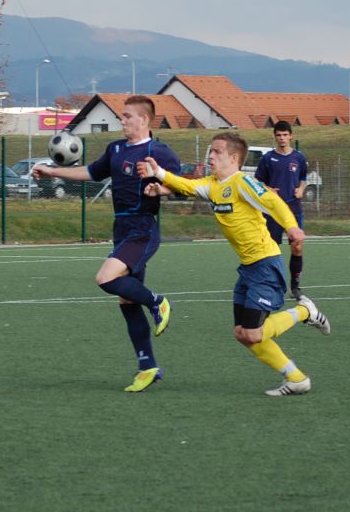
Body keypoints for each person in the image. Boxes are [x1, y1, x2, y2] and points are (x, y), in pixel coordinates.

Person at [137, 132, 332, 396]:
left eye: (216, 152)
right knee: (242, 333)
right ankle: (296, 379)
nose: (211, 156)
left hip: (265, 264)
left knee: (253, 333)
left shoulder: (243, 183)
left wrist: (292, 227)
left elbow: (273, 201)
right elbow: (185, 184)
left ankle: (304, 312)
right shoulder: (212, 184)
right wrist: (159, 174)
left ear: (233, 157)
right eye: (210, 151)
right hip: (248, 268)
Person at [32, 95, 181, 392]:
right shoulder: (116, 149)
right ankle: (147, 367)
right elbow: (90, 172)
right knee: (126, 301)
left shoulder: (158, 151)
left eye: (127, 116)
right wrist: (51, 171)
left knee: (105, 278)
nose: (122, 121)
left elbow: (183, 186)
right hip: (121, 227)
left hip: (143, 227)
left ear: (144, 120)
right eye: (122, 116)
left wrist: (160, 189)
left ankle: (158, 302)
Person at [254, 121, 309, 297]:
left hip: (293, 207)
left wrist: (301, 189)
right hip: (272, 210)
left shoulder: (299, 157)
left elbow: (303, 177)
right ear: (275, 137)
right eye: (279, 135)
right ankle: (271, 284)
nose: (282, 138)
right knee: (271, 248)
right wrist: (268, 189)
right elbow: (258, 181)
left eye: (285, 135)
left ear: (291, 136)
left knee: (297, 246)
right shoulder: (268, 158)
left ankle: (295, 286)